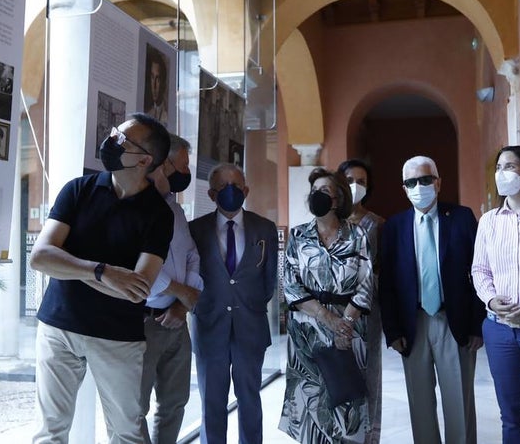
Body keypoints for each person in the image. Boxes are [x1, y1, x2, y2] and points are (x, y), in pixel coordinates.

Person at [29, 114, 173, 444]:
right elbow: (40, 257)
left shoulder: (158, 214)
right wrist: (102, 272)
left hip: (117, 337)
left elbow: (137, 289)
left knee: (126, 432)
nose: (110, 141)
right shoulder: (79, 189)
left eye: (122, 139)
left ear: (144, 160)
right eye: (114, 133)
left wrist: (68, 265)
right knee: (49, 431)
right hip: (59, 326)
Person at [380, 155, 483, 444]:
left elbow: (479, 271)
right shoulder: (394, 227)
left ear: (438, 183)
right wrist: (393, 331)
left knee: (459, 402)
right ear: (404, 189)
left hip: (454, 322)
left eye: (425, 180)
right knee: (420, 404)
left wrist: (477, 325)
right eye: (411, 182)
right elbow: (386, 283)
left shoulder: (461, 218)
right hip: (412, 323)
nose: (419, 187)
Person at [280, 168, 373, 443]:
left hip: (349, 331)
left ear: (337, 199)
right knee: (310, 400)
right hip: (306, 331)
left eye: (323, 191)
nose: (316, 196)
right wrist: (328, 319)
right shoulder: (298, 236)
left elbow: (366, 283)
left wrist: (346, 323)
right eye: (313, 191)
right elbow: (290, 285)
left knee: (346, 399)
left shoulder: (357, 235)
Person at [189, 164, 278, 444]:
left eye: (236, 186)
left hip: (250, 327)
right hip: (209, 326)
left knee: (249, 399)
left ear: (246, 190)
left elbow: (269, 280)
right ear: (211, 194)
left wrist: (248, 304)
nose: (231, 191)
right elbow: (190, 276)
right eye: (223, 187)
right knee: (211, 402)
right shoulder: (195, 229)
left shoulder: (264, 228)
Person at [471, 146, 520, 444]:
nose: (502, 173)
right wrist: (492, 300)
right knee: (511, 414)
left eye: (510, 166)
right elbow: (480, 269)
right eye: (499, 167)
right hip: (500, 330)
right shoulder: (489, 220)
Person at [140, 136, 202, 444]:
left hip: (176, 321)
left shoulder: (175, 210)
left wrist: (183, 303)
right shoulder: (134, 206)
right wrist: (181, 291)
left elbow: (191, 255)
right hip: (143, 323)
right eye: (184, 165)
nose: (186, 173)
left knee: (175, 403)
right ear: (164, 164)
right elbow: (138, 268)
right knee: (133, 408)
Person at [338, 158, 385, 444]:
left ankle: (368, 438)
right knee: (335, 380)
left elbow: (383, 275)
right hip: (332, 315)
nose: (354, 186)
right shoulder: (327, 223)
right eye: (349, 180)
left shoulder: (377, 225)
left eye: (361, 182)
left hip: (366, 317)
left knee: (368, 380)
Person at [144, 51, 169, 124]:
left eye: (158, 79)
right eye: (152, 77)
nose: (154, 85)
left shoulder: (166, 115)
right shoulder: (147, 113)